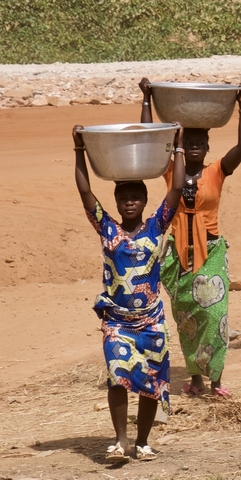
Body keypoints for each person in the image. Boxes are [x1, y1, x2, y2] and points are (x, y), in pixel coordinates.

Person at [73, 123, 185, 462]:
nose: (130, 203)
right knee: (117, 375)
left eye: (135, 197)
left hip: (150, 321)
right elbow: (85, 194)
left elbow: (177, 187)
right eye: (124, 198)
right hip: (117, 322)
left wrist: (177, 146)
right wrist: (79, 149)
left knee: (152, 381)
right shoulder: (107, 228)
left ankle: (143, 441)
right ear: (118, 202)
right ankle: (120, 441)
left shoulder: (156, 226)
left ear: (145, 200)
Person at [138, 78, 241, 397]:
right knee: (187, 316)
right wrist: (147, 98)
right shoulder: (172, 170)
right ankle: (196, 379)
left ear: (208, 146)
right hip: (178, 253)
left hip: (211, 250)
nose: (195, 146)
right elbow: (149, 140)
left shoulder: (217, 171)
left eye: (201, 141)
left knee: (215, 314)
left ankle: (216, 379)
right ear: (180, 146)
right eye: (189, 141)